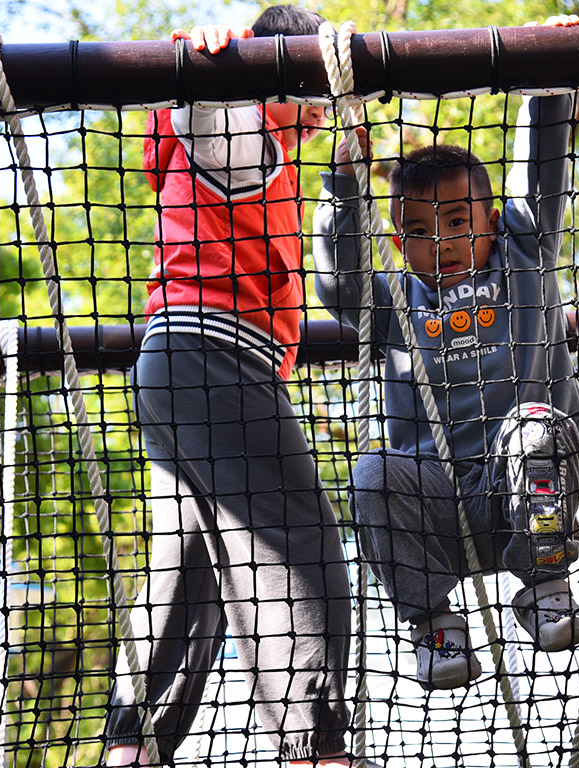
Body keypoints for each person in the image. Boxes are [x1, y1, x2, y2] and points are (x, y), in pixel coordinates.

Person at [104, 7, 366, 766]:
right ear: (274, 70)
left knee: (189, 580)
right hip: (213, 358)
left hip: (185, 367)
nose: (320, 108)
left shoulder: (277, 153)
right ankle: (318, 748)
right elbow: (201, 98)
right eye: (311, 88)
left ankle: (134, 748)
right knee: (299, 543)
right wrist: (219, 57)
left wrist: (344, 155)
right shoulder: (239, 133)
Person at [313, 15, 579, 692]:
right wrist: (343, 185)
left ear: (493, 222)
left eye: (456, 222)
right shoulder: (394, 305)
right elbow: (338, 282)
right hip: (437, 508)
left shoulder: (526, 257)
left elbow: (543, 175)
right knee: (375, 474)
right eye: (415, 229)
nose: (437, 241)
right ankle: (434, 627)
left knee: (537, 431)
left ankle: (546, 587)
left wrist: (549, 85)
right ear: (397, 237)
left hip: (525, 495)